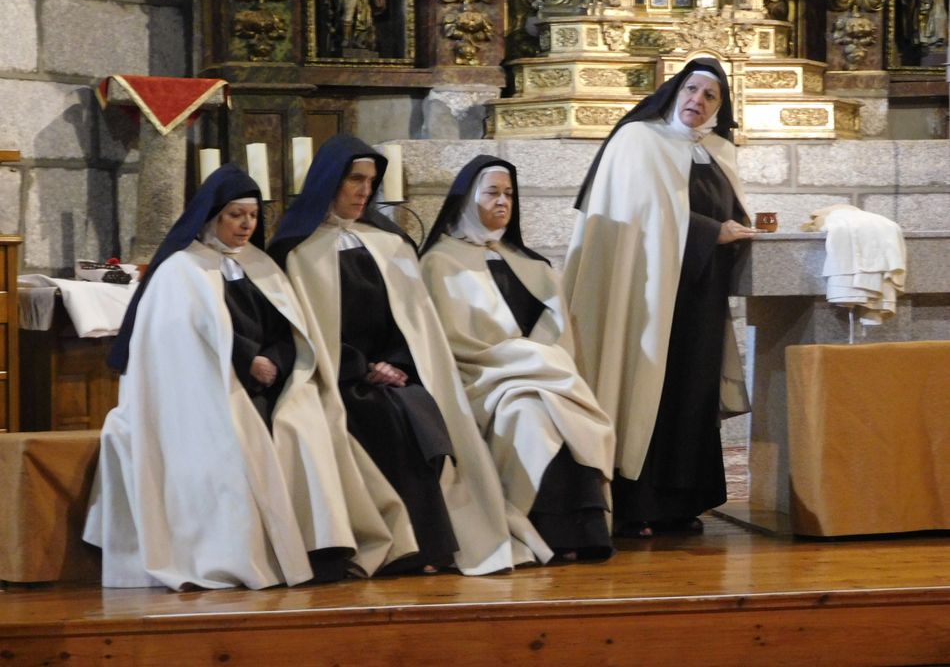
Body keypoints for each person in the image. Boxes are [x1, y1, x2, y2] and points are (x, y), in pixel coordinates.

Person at [84, 164, 403, 590]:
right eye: (236, 215)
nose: (246, 225)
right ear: (212, 216)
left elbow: (292, 331)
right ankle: (254, 555)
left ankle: (323, 550)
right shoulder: (181, 269)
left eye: (252, 216)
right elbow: (182, 341)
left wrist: (275, 359)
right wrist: (249, 359)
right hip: (209, 390)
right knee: (240, 439)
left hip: (271, 384)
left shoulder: (259, 264)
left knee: (309, 426)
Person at [269, 135, 551, 575]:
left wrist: (397, 362)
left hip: (393, 372)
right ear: (329, 181)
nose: (365, 191)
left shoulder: (390, 244)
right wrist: (360, 368)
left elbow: (414, 321)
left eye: (371, 182)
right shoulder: (296, 250)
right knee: (386, 419)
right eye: (355, 180)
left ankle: (434, 546)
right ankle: (408, 548)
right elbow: (299, 330)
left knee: (422, 415)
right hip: (335, 376)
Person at [562, 57, 755, 538]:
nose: (698, 101)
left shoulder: (718, 150)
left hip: (699, 294)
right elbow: (641, 217)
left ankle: (680, 503)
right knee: (645, 389)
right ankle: (636, 505)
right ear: (674, 91)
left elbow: (725, 210)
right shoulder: (638, 139)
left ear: (720, 107)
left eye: (710, 96)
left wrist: (736, 231)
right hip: (644, 292)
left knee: (692, 395)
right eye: (691, 89)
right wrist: (713, 232)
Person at [420, 155, 615, 561]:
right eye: (492, 192)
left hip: (540, 373)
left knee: (566, 413)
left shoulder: (529, 263)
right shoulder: (439, 263)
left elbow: (558, 333)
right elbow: (452, 341)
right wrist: (525, 359)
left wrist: (535, 360)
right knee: (529, 414)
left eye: (509, 194)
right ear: (467, 199)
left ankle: (586, 531)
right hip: (481, 380)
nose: (503, 201)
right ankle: (549, 532)